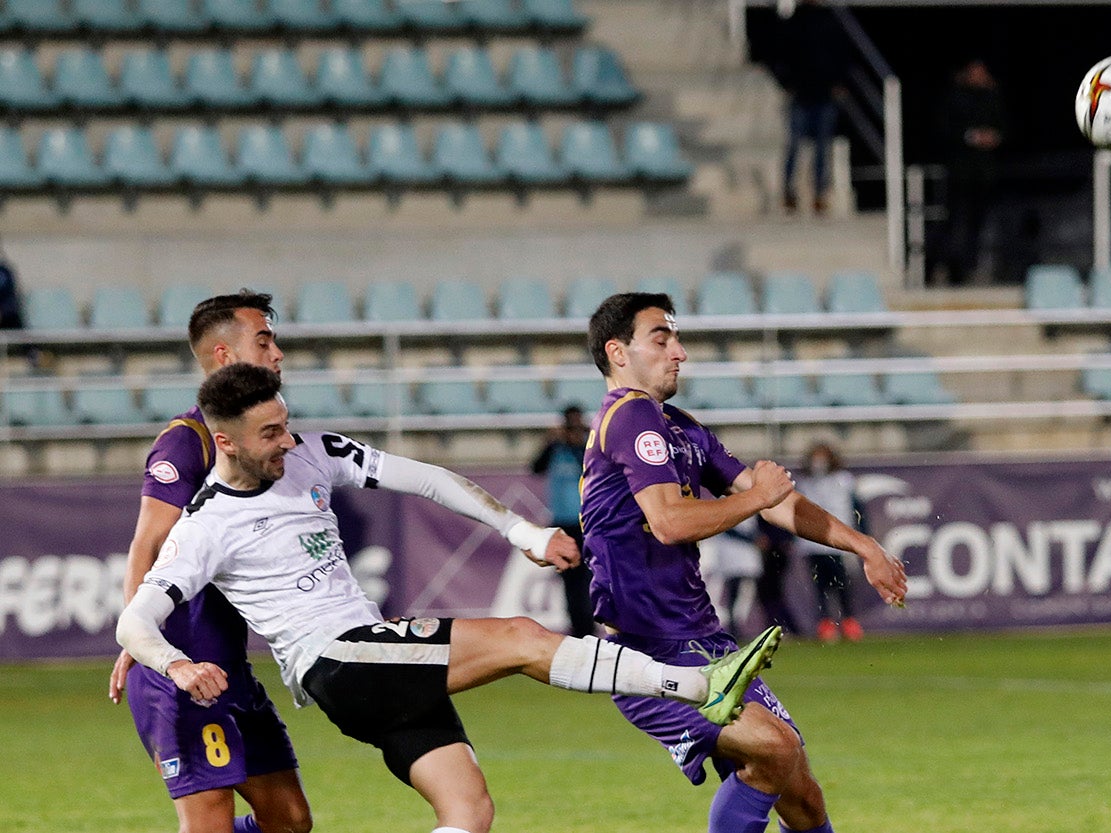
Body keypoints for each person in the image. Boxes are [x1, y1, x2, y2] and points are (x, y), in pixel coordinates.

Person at [117, 362, 780, 833]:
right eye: (269, 434)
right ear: (225, 442)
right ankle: (698, 685)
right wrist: (175, 663)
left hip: (371, 661)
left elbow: (425, 479)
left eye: (286, 424)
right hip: (337, 660)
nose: (286, 441)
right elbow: (135, 620)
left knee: (468, 812)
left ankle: (702, 687)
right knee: (522, 636)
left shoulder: (312, 452)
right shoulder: (204, 527)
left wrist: (518, 528)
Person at [580, 292, 907, 833]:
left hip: (707, 642)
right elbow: (669, 521)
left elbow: (775, 500)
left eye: (677, 339)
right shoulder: (629, 415)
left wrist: (864, 546)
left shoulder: (677, 425)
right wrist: (756, 498)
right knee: (774, 750)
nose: (679, 352)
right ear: (618, 352)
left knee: (801, 792)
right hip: (649, 652)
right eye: (661, 339)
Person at [108, 290, 312, 833]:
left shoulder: (264, 439)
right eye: (264, 340)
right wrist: (142, 638)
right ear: (224, 355)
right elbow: (147, 542)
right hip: (186, 661)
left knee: (290, 821)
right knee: (209, 821)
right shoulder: (188, 441)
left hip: (231, 665)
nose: (278, 353)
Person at [773, 0, 850, 216]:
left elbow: (843, 55)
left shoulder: (829, 22)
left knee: (821, 149)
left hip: (823, 95)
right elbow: (780, 55)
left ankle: (819, 194)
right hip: (801, 95)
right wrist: (786, 83)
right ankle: (788, 192)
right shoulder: (793, 23)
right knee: (794, 145)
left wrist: (838, 82)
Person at [936, 58, 1005, 286]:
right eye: (974, 72)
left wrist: (994, 137)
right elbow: (945, 130)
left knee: (978, 224)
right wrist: (971, 136)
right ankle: (946, 268)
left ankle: (969, 268)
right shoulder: (955, 97)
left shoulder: (993, 98)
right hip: (959, 174)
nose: (978, 76)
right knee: (954, 222)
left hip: (984, 175)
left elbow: (1005, 127)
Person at [530, 404, 596, 637]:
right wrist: (550, 441)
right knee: (570, 582)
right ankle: (578, 630)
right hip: (563, 525)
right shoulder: (555, 449)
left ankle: (589, 628)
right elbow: (536, 467)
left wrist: (582, 441)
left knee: (590, 579)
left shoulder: (587, 449)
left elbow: (592, 469)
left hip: (587, 523)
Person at [794, 442, 865, 643]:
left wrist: (861, 536)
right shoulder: (805, 482)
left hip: (840, 542)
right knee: (820, 586)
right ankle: (825, 623)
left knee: (843, 584)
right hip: (812, 543)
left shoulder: (844, 480)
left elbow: (858, 509)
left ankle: (849, 621)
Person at [754, 518, 802, 636]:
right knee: (772, 592)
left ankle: (782, 626)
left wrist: (780, 540)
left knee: (770, 591)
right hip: (777, 549)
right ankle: (785, 626)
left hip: (775, 550)